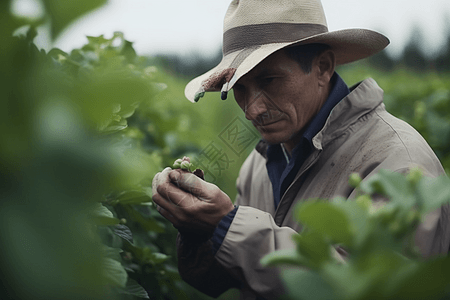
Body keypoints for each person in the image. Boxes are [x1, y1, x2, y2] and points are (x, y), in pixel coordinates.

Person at [152, 0, 450, 299]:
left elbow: (372, 289)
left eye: (269, 80)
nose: (251, 110)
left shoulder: (399, 165)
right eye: (239, 87)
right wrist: (200, 231)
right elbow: (228, 279)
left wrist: (228, 224)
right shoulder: (260, 164)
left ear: (323, 67)